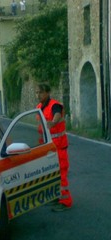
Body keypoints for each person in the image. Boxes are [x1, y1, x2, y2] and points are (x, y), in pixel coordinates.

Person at [36, 83, 73, 212]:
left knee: (61, 174)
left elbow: (57, 115)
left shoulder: (54, 105)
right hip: (48, 148)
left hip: (59, 147)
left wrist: (53, 122)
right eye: (37, 92)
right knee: (52, 174)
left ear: (47, 93)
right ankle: (57, 197)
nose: (38, 95)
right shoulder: (39, 107)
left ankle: (65, 201)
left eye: (40, 92)